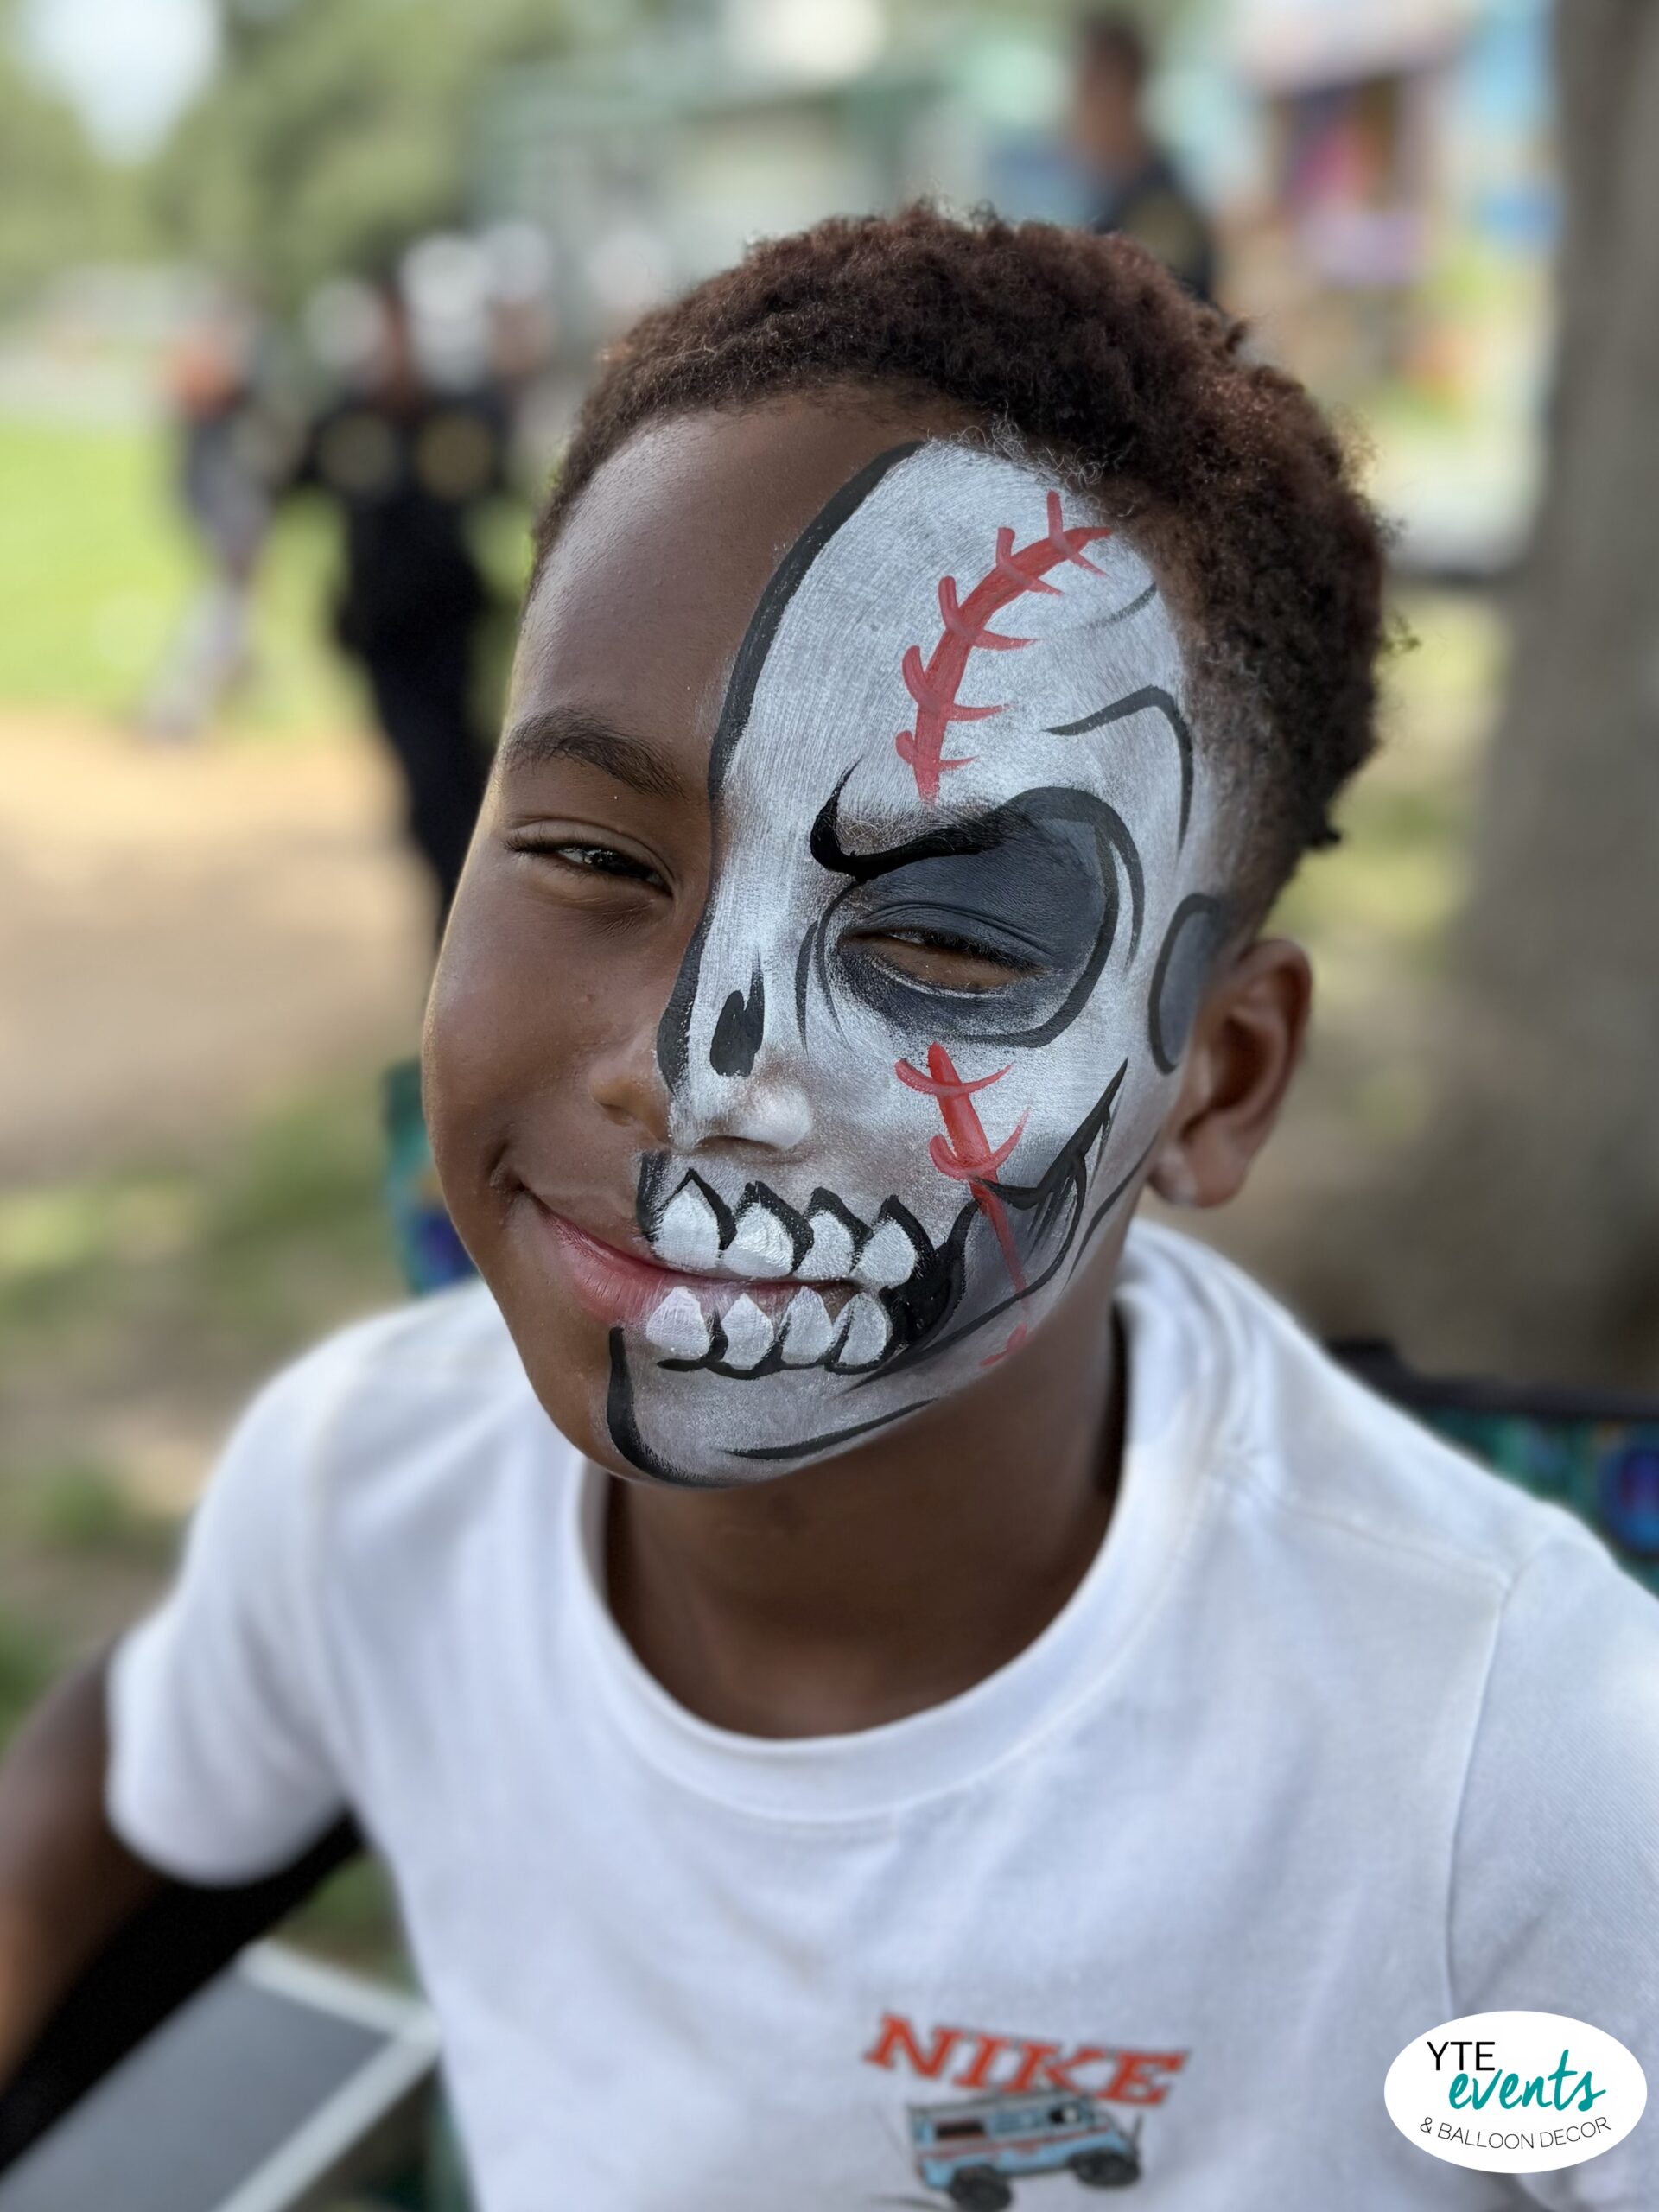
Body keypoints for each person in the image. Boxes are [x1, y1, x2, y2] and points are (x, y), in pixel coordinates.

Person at [2, 209, 1656, 2209]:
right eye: (594, 850)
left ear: (1215, 1078)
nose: (689, 1064)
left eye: (952, 937)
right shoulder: (372, 1494)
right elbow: (117, 1778)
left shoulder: (1510, 1757)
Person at [295, 277, 512, 931]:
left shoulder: (460, 417)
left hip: (451, 628)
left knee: (464, 777)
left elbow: (501, 487)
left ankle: (472, 921)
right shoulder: (344, 421)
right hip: (384, 636)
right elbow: (291, 483)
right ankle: (452, 927)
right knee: (425, 784)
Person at [1071, 10, 1217, 302]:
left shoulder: (1157, 210)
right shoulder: (1121, 198)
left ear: (1118, 91)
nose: (1073, 111)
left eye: (1085, 89)